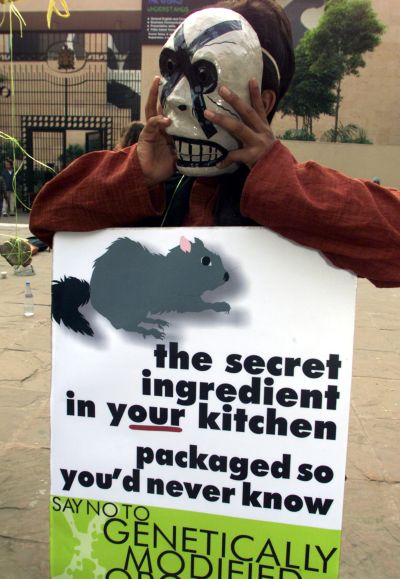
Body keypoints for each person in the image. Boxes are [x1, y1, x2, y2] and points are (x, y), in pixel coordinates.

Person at [29, 0, 400, 288]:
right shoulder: (158, 178)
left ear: (264, 102)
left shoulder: (292, 191)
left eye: (205, 76)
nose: (179, 99)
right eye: (175, 72)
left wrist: (281, 182)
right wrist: (135, 173)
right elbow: (48, 218)